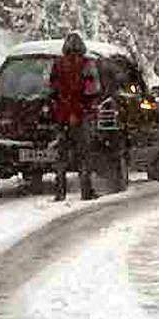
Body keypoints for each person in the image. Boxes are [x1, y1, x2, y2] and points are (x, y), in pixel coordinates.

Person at [48, 32, 101, 201]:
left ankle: (60, 190)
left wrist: (62, 108)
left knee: (61, 155)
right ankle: (86, 190)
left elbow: (53, 89)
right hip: (81, 115)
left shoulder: (58, 65)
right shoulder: (86, 65)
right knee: (84, 154)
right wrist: (82, 109)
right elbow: (91, 90)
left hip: (62, 116)